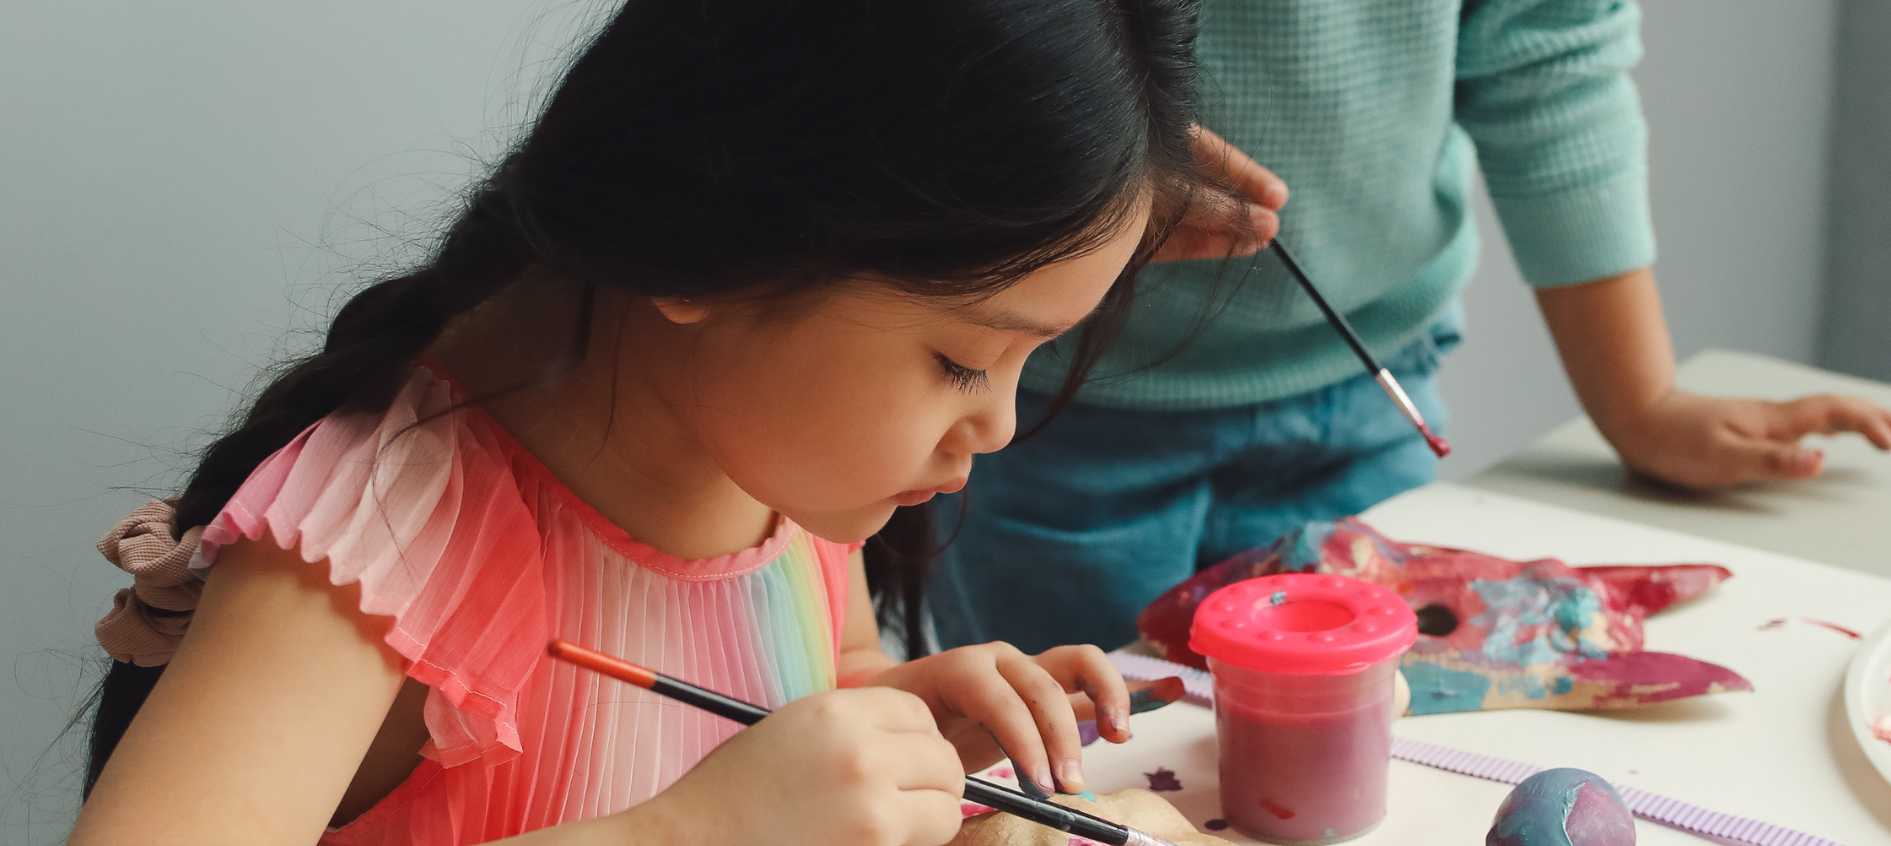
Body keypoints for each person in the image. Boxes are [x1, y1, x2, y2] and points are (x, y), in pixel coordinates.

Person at [68, 1, 1206, 844]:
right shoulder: (381, 542)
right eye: (961, 357)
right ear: (711, 239)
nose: (998, 425)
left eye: (1030, 359)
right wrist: (683, 834)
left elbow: (810, 678)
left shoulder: (773, 464)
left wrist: (890, 738)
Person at [929, 0, 1891, 653]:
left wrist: (1641, 402)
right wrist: (1092, 158)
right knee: (1085, 772)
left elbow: (1548, 58)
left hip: (1368, 396)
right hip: (1052, 415)